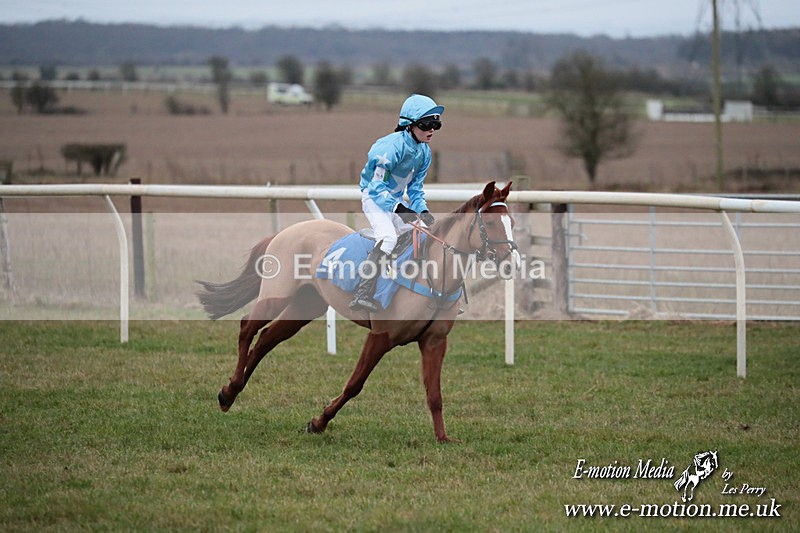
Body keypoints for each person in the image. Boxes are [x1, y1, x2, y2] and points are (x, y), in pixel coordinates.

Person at [349, 94, 444, 312]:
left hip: (396, 200)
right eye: (426, 125)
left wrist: (423, 211)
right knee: (389, 238)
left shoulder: (424, 152)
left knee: (422, 234)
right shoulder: (390, 147)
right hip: (374, 198)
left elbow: (415, 189)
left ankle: (423, 289)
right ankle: (362, 293)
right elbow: (375, 186)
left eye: (436, 125)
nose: (432, 130)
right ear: (409, 125)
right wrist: (399, 208)